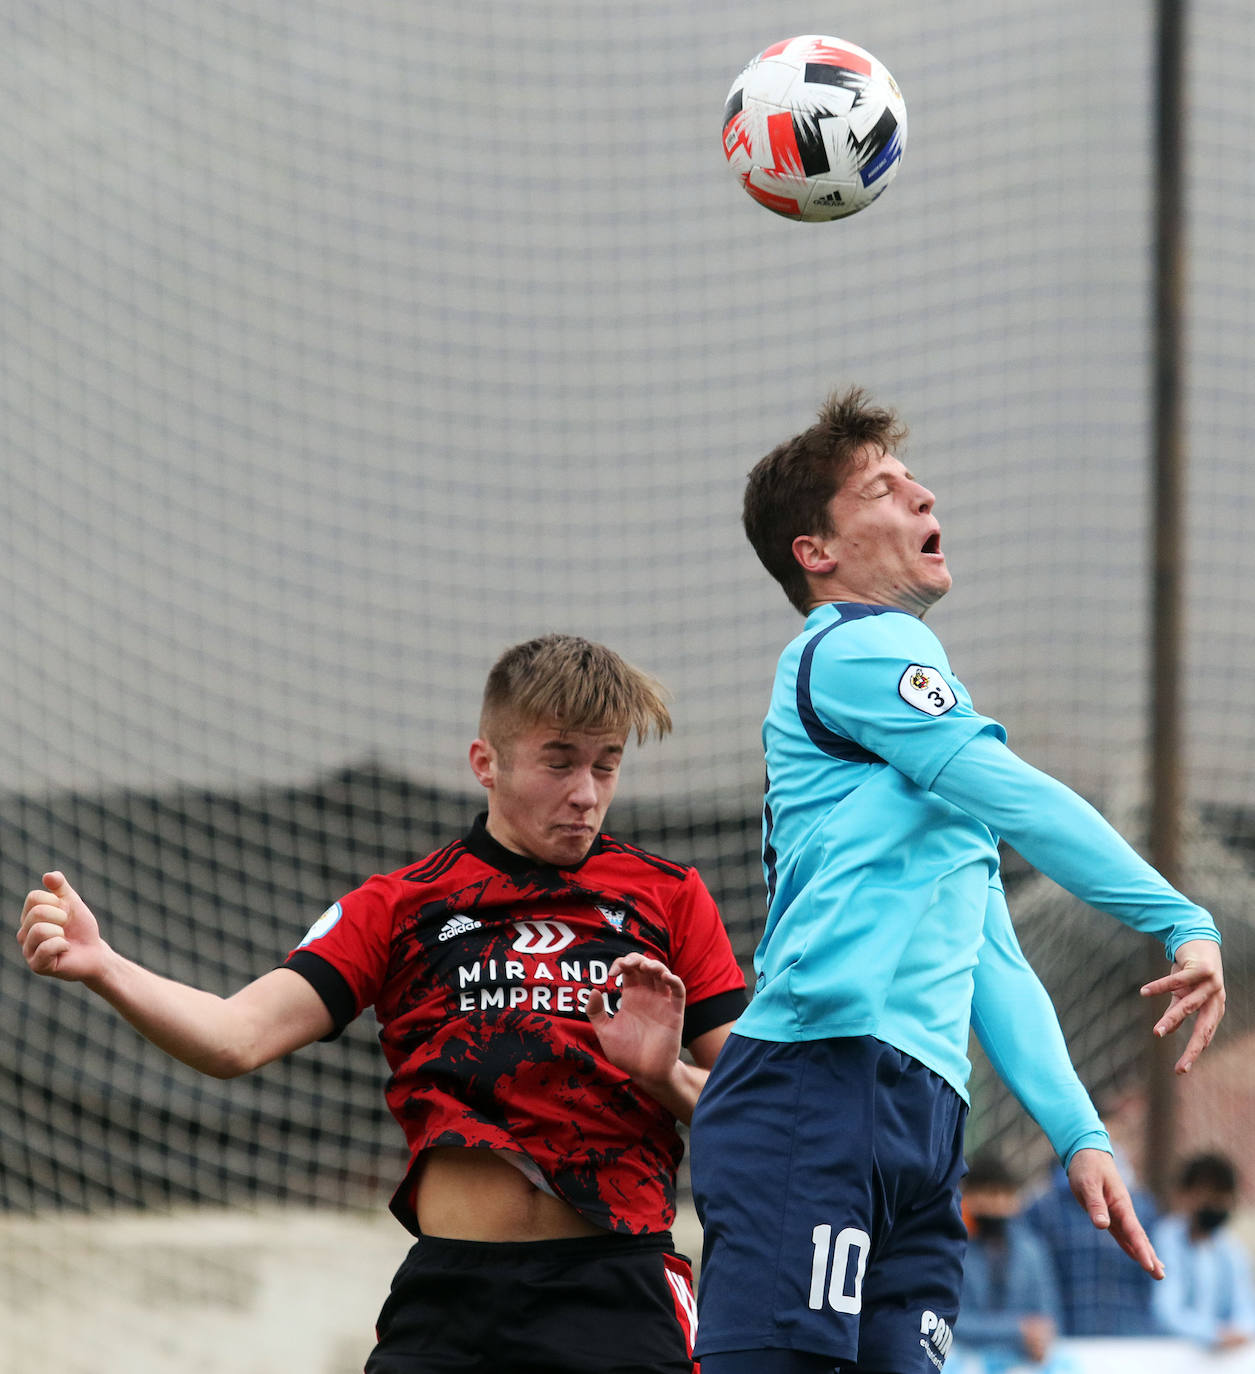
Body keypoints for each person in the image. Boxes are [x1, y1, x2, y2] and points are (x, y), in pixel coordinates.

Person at [16, 633, 748, 1374]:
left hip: (620, 1291)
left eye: (605, 764)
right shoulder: (400, 906)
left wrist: (663, 1075)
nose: (585, 793)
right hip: (453, 1301)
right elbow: (236, 1038)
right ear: (485, 763)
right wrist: (105, 966)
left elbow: (759, 1105)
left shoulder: (670, 897)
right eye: (559, 762)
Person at [689, 387, 1226, 1374]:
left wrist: (1078, 1135)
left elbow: (992, 959)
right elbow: (1021, 797)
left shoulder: (921, 760)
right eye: (882, 489)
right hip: (817, 1086)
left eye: (913, 480)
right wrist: (1178, 917)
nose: (922, 494)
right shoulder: (853, 646)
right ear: (817, 551)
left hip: (922, 1115)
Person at [1023, 1090, 1160, 1337]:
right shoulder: (1043, 1209)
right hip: (1066, 1342)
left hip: (1129, 1341)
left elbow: (1151, 1284)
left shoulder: (1142, 1207)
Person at [953, 1152, 1066, 1373]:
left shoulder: (1031, 1251)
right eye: (986, 1195)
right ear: (968, 1198)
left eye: (1002, 1195)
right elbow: (951, 1321)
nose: (994, 1205)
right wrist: (1017, 1330)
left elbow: (1049, 1318)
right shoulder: (955, 1250)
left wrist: (1038, 1337)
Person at [1151, 1151, 1255, 1350]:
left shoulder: (1231, 1250)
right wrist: (1213, 1333)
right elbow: (1166, 1311)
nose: (1215, 1204)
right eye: (1207, 1196)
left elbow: (1245, 1309)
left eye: (1221, 1197)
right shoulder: (1165, 1239)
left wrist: (1235, 1332)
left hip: (1218, 1356)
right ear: (1185, 1195)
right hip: (1164, 1354)